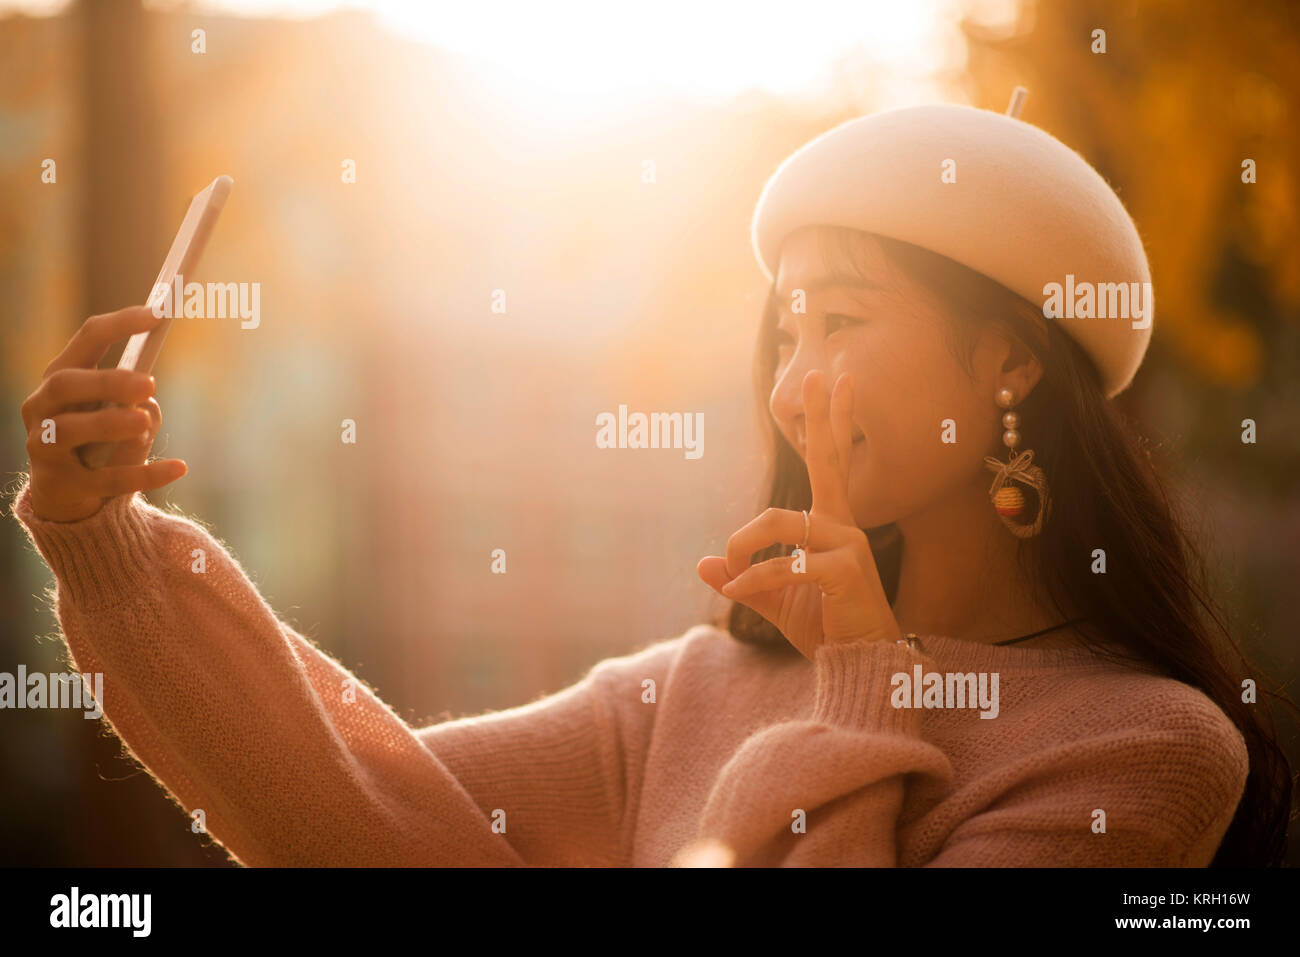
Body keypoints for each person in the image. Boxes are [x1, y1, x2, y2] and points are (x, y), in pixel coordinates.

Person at [12, 102, 1292, 867]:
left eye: (842, 321)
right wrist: (107, 546)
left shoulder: (1148, 747)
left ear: (1007, 357)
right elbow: (373, 812)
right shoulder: (690, 691)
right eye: (785, 335)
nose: (796, 387)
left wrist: (860, 678)